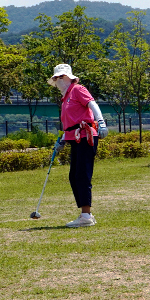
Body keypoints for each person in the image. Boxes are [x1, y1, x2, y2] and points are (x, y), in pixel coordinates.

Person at [48, 64, 109, 227]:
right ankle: (85, 213)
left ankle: (86, 216)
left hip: (85, 136)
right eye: (56, 78)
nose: (57, 81)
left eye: (60, 77)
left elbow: (92, 104)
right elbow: (70, 123)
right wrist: (62, 141)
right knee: (74, 176)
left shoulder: (77, 89)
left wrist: (101, 122)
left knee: (82, 175)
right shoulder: (65, 97)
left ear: (68, 77)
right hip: (74, 138)